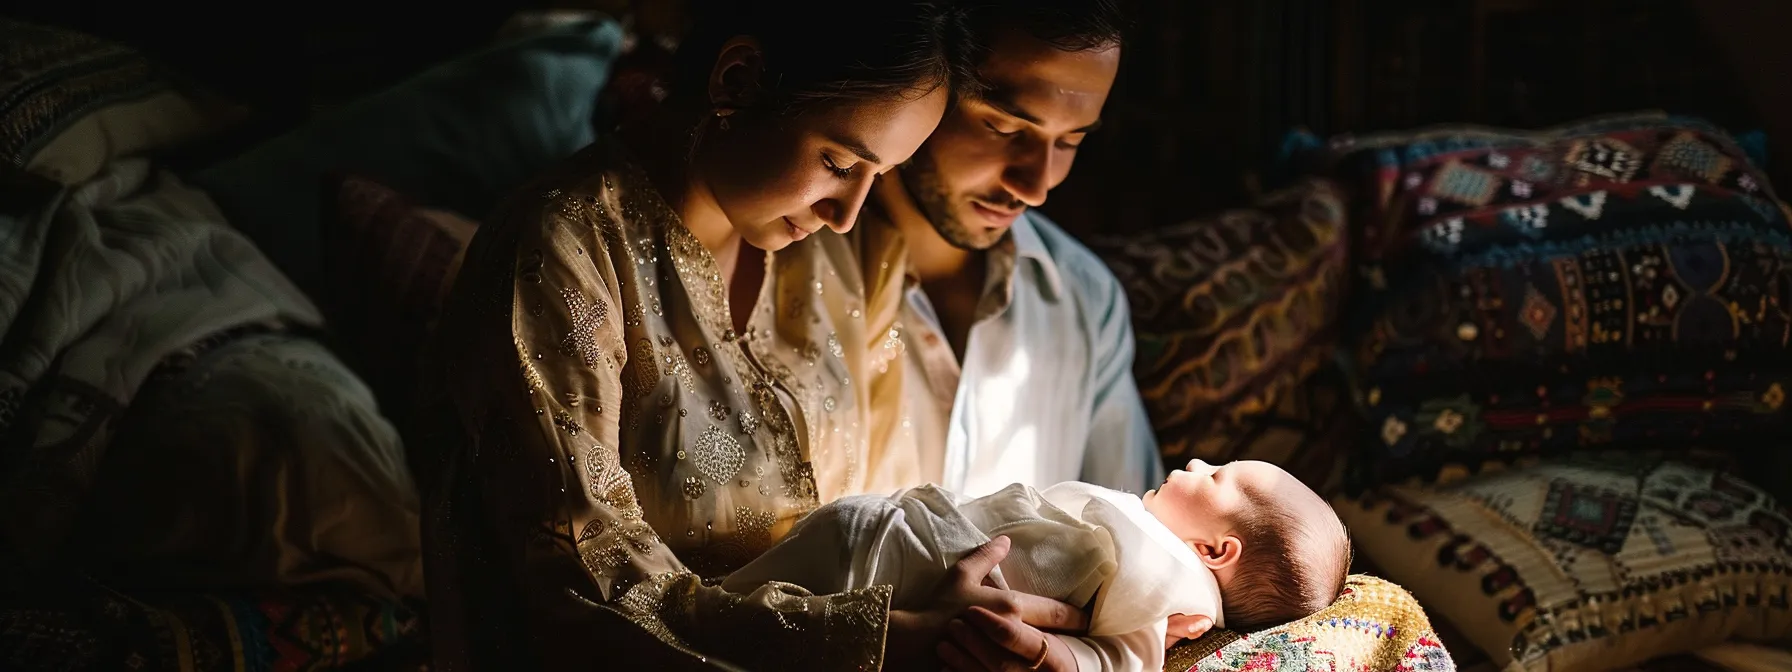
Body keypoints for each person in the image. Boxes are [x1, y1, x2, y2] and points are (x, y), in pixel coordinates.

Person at [418, 1, 1086, 670]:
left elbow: (888, 512)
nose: (848, 214)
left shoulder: (840, 261)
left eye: (878, 176)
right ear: (737, 81)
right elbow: (578, 577)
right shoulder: (564, 251)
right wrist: (876, 638)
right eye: (839, 162)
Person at [855, 0, 1163, 500]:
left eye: (1069, 143)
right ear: (919, 90)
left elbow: (1140, 532)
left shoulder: (1086, 299)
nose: (1036, 186)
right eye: (1004, 128)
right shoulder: (797, 269)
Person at [725, 460, 1352, 671]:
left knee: (732, 620)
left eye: (1217, 476)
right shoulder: (1151, 541)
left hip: (896, 566)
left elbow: (1117, 663)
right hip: (905, 538)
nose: (1193, 463)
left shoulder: (1173, 591)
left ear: (1217, 551)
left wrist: (1050, 658)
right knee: (735, 601)